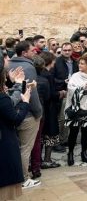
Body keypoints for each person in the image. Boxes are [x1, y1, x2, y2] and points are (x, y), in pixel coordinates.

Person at [9, 41, 43, 188]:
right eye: (32, 50)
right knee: (25, 148)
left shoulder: (8, 64)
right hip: (26, 113)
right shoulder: (28, 67)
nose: (34, 52)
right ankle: (23, 179)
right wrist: (38, 112)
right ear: (24, 53)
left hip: (12, 111)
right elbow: (31, 93)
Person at [0, 66, 33, 199]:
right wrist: (25, 102)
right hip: (4, 143)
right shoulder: (2, 99)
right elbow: (15, 119)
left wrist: (12, 83)